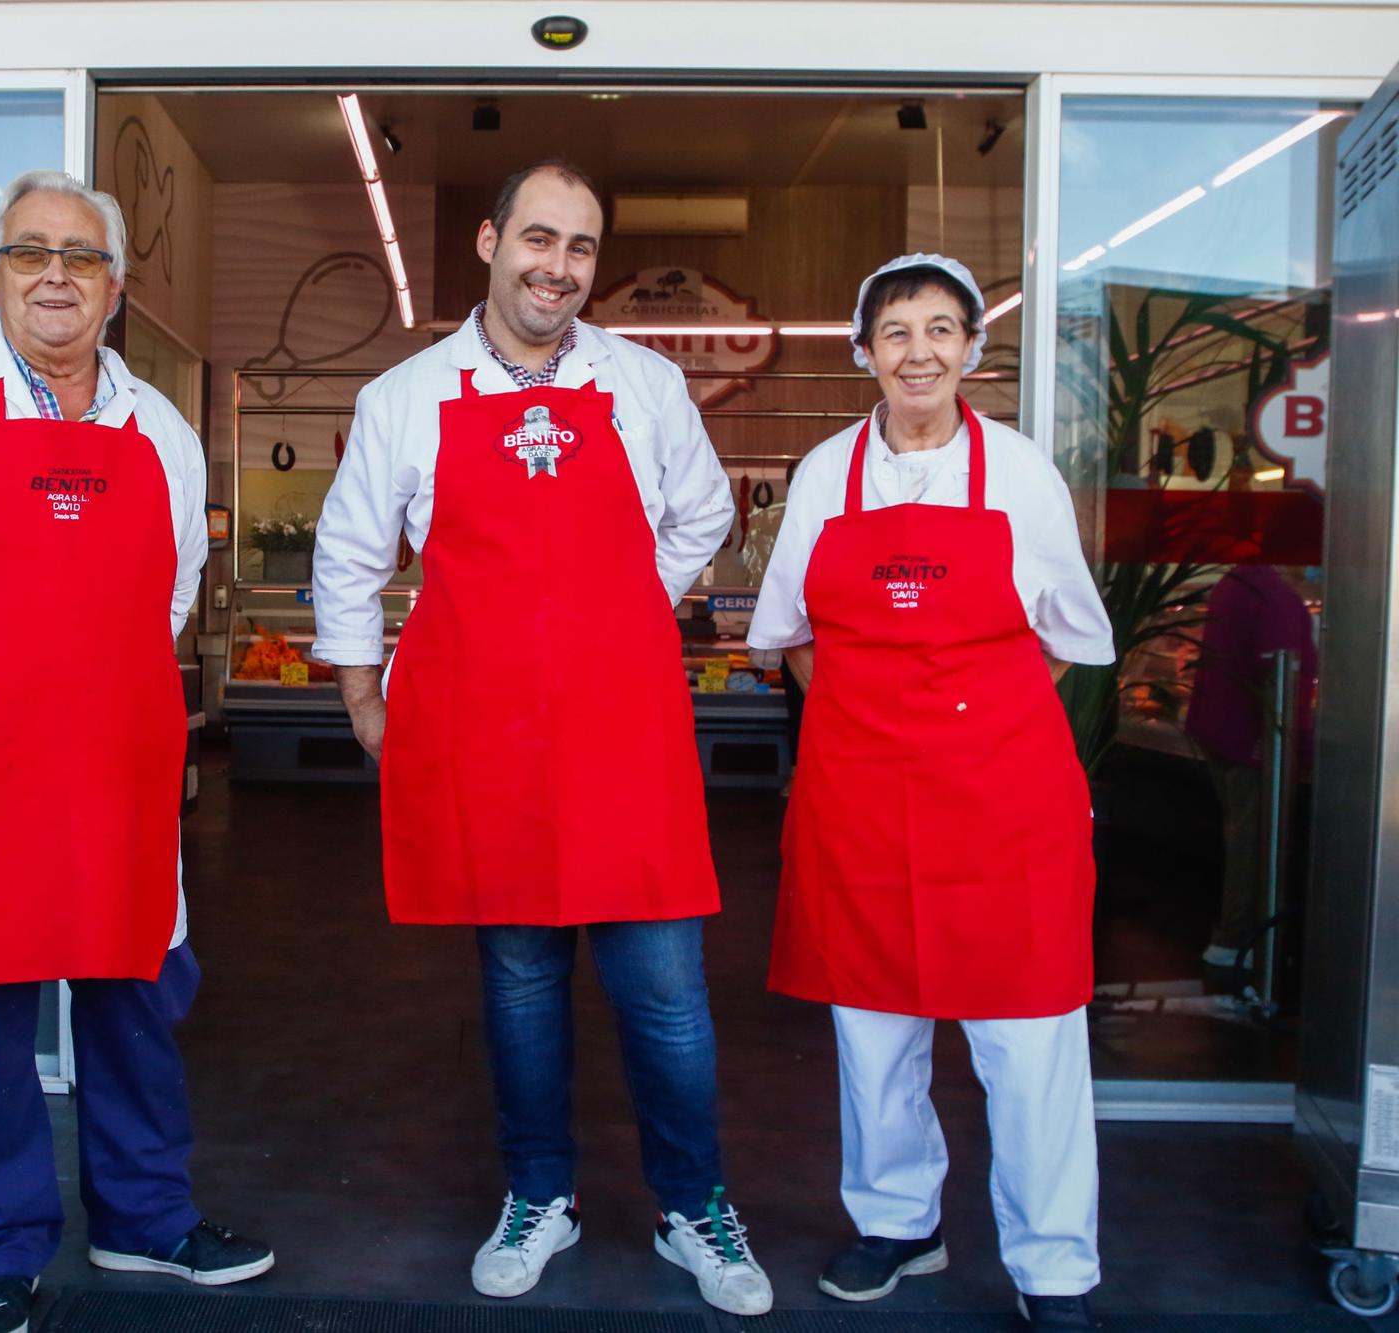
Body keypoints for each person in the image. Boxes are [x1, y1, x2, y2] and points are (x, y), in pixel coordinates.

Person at [312, 161, 770, 1317]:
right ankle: (538, 1193)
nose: (555, 265)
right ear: (487, 241)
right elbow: (350, 557)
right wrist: (366, 697)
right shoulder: (407, 397)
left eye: (577, 246)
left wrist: (624, 604)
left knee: (664, 990)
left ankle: (693, 1205)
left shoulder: (643, 386)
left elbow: (701, 513)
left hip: (623, 726)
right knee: (519, 982)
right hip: (485, 731)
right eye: (537, 238)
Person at [0, 169, 271, 1333]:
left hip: (112, 788)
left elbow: (168, 595)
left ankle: (143, 1219)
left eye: (80, 257)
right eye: (30, 253)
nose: (55, 276)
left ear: (115, 286)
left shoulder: (161, 435)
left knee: (132, 1004)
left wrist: (85, 702)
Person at [747, 254, 1114, 1330]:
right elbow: (791, 639)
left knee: (1028, 1037)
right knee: (873, 1026)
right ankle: (897, 1222)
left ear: (970, 348)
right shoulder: (825, 474)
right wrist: (875, 724)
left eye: (940, 329)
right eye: (895, 331)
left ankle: (1053, 1268)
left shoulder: (1017, 474)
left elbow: (1060, 639)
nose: (917, 350)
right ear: (862, 349)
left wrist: (968, 718)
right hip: (861, 796)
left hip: (1003, 799)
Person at [1184, 560, 1317, 969]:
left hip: (1220, 730)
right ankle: (1236, 942)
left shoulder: (1238, 579)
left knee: (1243, 838)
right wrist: (1299, 746)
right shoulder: (1272, 593)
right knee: (1253, 843)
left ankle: (1245, 940)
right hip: (1252, 738)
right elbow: (1281, 675)